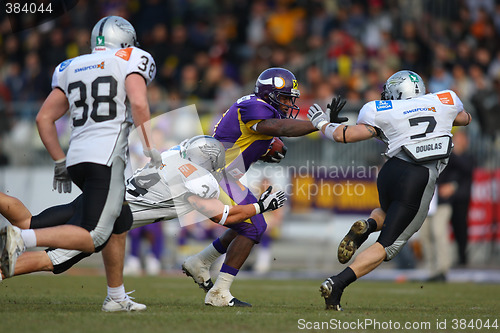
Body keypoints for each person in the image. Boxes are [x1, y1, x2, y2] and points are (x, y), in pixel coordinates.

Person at [0, 136, 286, 309]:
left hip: (96, 198)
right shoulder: (198, 179)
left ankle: (19, 236)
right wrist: (261, 205)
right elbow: (224, 216)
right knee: (53, 260)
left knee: (29, 220)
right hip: (105, 218)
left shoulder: (170, 156)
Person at [0, 16, 162, 311]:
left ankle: (116, 297)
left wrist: (60, 162)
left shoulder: (70, 66)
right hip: (106, 157)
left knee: (120, 221)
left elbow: (44, 118)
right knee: (95, 235)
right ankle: (21, 237)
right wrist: (150, 146)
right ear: (125, 40)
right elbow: (138, 102)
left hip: (77, 159)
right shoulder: (130, 57)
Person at [307, 70, 472, 310]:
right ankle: (337, 283)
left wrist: (322, 123)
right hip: (419, 174)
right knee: (388, 246)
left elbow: (347, 135)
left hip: (391, 170)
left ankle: (369, 225)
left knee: (389, 211)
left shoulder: (379, 109)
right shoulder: (445, 99)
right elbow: (464, 119)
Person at [181, 67, 320, 307]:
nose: (288, 104)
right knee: (255, 226)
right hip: (214, 175)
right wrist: (320, 124)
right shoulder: (254, 106)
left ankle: (200, 262)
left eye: (290, 98)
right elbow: (281, 128)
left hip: (224, 176)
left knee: (246, 225)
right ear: (269, 93)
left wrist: (265, 151)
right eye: (285, 97)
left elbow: (249, 140)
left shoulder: (257, 111)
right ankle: (219, 292)